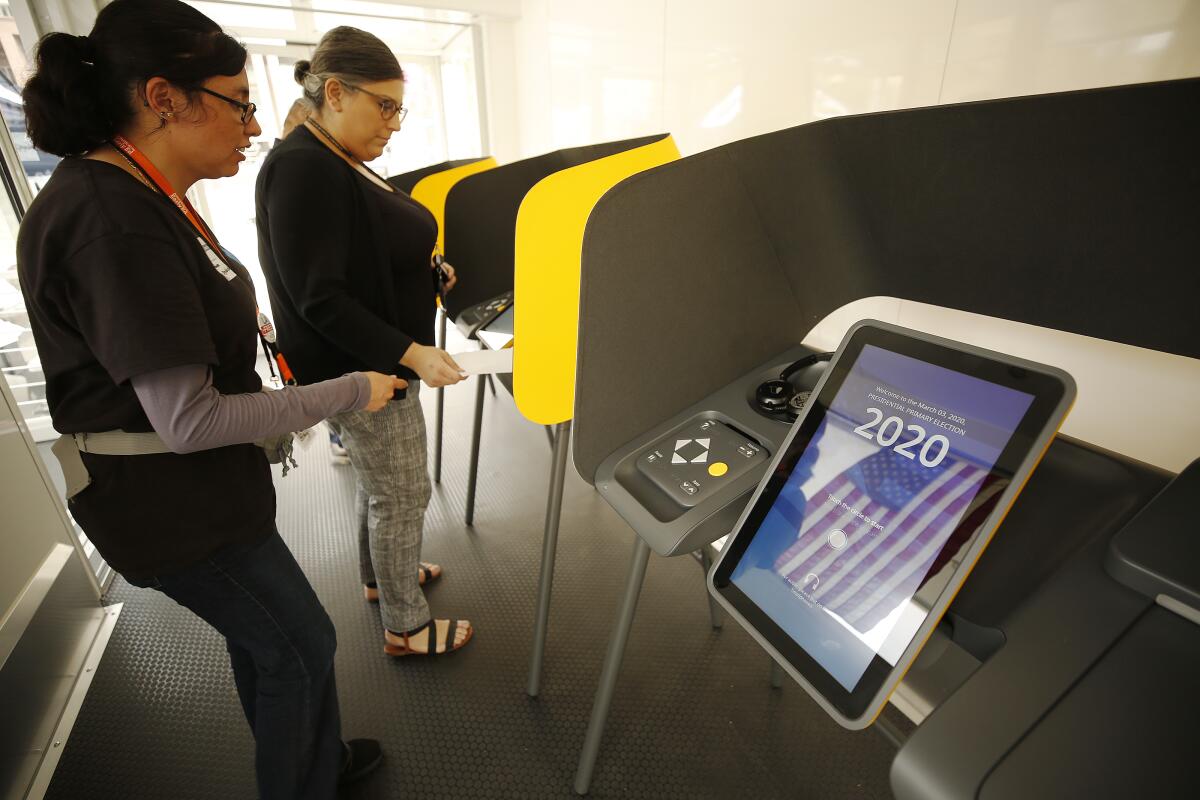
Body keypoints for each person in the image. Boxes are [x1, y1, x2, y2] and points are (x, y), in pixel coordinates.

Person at [16, 2, 403, 796]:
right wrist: (348, 391)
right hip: (170, 504)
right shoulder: (111, 220)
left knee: (264, 640)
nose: (255, 123)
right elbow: (190, 420)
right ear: (164, 97)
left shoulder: (138, 191)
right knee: (299, 644)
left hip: (202, 491)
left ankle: (316, 763)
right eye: (236, 100)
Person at [256, 26, 473, 657]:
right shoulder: (304, 169)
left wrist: (423, 270)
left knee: (384, 486)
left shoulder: (336, 160)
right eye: (384, 105)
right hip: (364, 368)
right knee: (404, 493)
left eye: (398, 108)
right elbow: (318, 296)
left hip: (372, 359)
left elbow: (359, 254)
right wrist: (413, 354)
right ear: (335, 92)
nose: (394, 123)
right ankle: (406, 626)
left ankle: (382, 579)